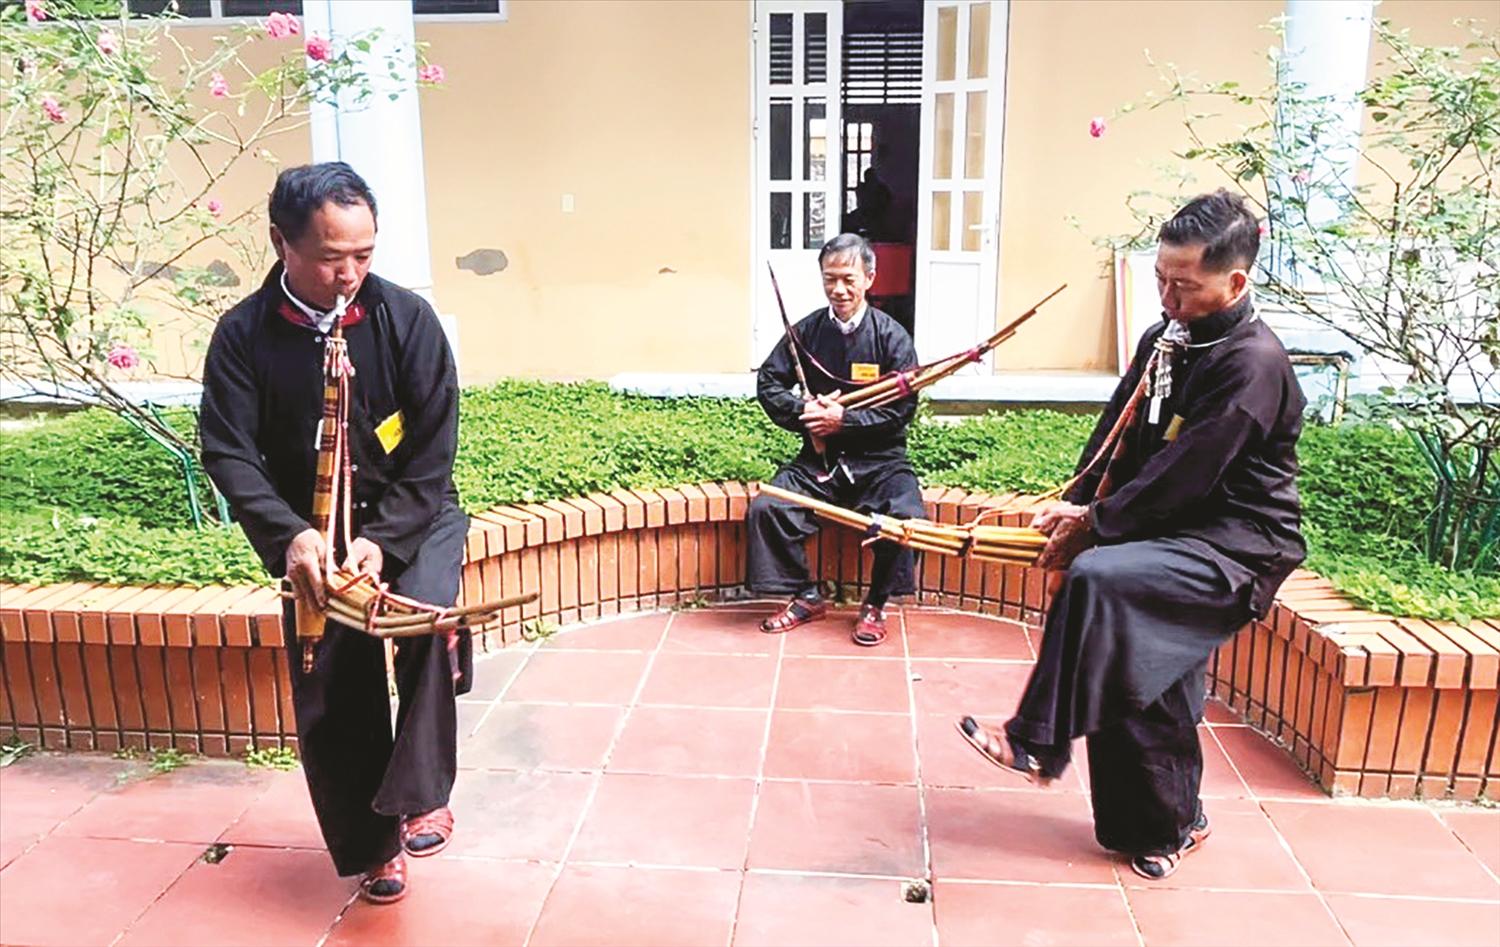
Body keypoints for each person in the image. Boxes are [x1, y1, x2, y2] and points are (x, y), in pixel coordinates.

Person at [956, 189, 1307, 880]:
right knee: (1136, 671)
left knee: (1101, 582)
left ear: (1236, 283)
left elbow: (1188, 472)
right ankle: (1168, 824)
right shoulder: (1164, 338)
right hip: (1164, 529)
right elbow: (1115, 434)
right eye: (1161, 280)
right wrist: (1076, 505)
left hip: (1235, 545)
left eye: (1186, 286)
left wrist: (1097, 527)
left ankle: (1036, 740)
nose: (1169, 298)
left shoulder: (1252, 363)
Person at [200, 162, 467, 904]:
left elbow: (434, 443)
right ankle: (372, 846)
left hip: (414, 512)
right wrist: (289, 535)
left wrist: (386, 538)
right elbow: (227, 449)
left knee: (423, 620)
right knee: (333, 677)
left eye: (364, 254)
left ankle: (422, 795)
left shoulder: (406, 318)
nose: (349, 274)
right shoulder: (243, 335)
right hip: (311, 530)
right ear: (281, 242)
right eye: (330, 257)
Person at [746, 232, 926, 646]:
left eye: (848, 279)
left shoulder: (892, 337)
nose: (839, 289)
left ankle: (875, 604)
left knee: (905, 520)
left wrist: (844, 420)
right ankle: (806, 595)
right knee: (769, 508)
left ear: (869, 278)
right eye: (830, 279)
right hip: (820, 461)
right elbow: (769, 382)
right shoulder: (807, 331)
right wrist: (805, 412)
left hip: (882, 462)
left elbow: (901, 410)